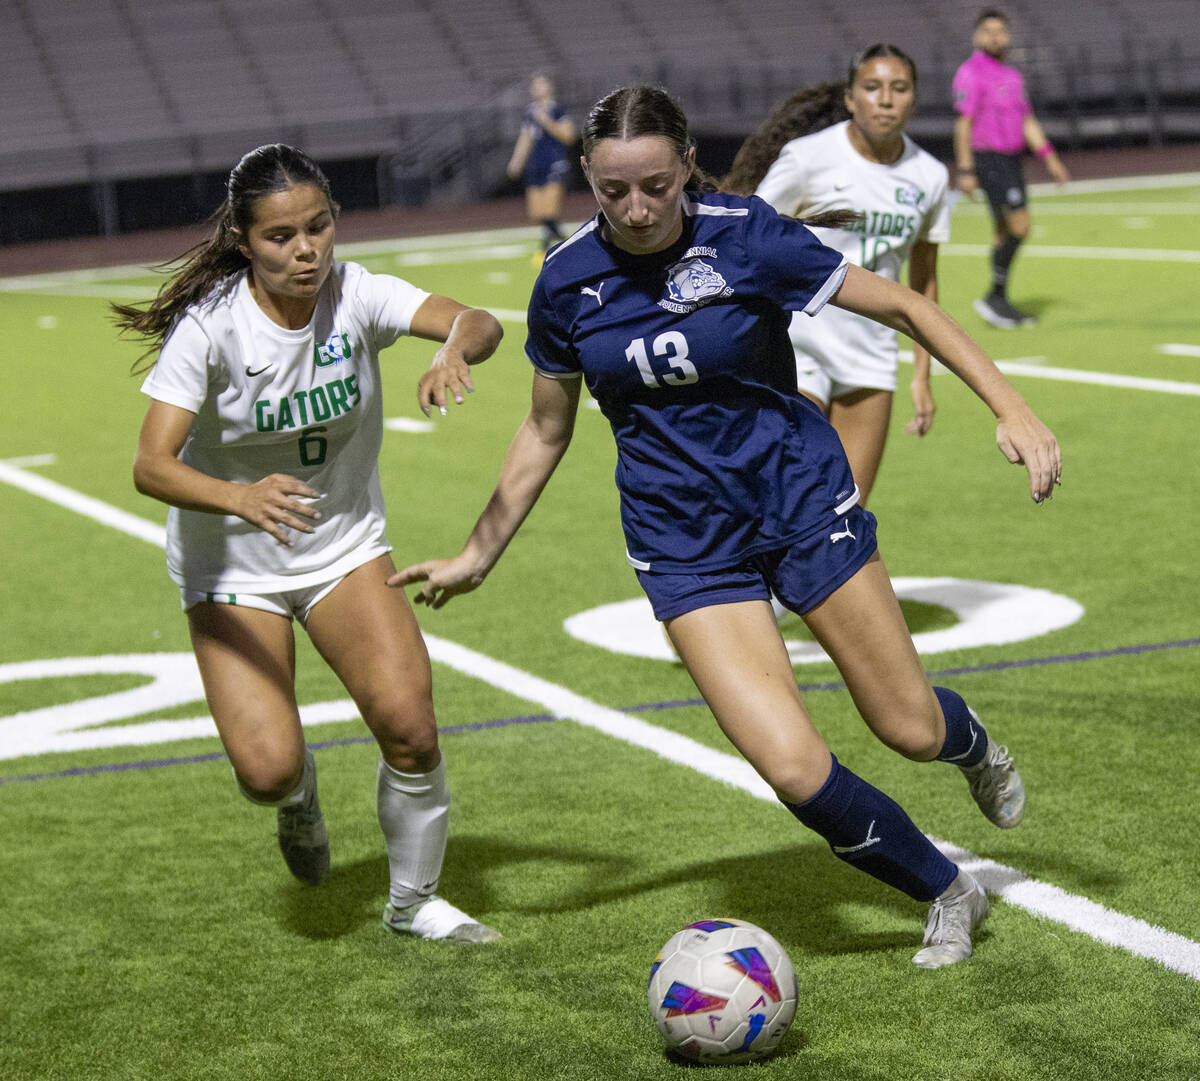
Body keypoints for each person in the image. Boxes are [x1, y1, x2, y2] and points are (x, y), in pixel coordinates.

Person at [389, 87, 1062, 969]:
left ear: (686, 169)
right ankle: (947, 889)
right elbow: (547, 426)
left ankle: (971, 743)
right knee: (790, 766)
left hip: (799, 502)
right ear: (588, 178)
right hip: (684, 546)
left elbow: (907, 307)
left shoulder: (748, 235)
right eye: (613, 190)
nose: (635, 210)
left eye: (656, 187)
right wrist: (481, 550)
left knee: (907, 725)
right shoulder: (565, 281)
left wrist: (1012, 409)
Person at [112, 144, 504, 944]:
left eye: (319, 227)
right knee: (267, 770)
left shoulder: (357, 292)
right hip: (232, 563)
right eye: (283, 237)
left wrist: (454, 346)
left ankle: (412, 901)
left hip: (342, 546)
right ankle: (299, 797)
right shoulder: (213, 325)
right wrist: (238, 496)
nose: (307, 250)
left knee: (410, 725)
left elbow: (479, 319)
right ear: (246, 243)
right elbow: (150, 465)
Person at [725, 45, 949, 505]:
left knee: (845, 517)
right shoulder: (808, 158)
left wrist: (922, 376)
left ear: (914, 99)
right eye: (872, 88)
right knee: (790, 502)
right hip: (798, 347)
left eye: (898, 88)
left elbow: (923, 280)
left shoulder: (930, 176)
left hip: (871, 354)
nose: (885, 99)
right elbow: (749, 239)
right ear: (850, 98)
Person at [953, 8, 1071, 328]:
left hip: (1011, 160)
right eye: (988, 31)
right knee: (1020, 227)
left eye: (1001, 31)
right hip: (989, 159)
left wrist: (1050, 158)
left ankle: (999, 301)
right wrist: (965, 170)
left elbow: (1027, 120)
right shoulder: (971, 73)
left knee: (1004, 231)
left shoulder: (1012, 76)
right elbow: (964, 123)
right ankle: (994, 296)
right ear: (977, 36)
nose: (995, 37)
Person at [506, 73, 577, 261]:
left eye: (542, 84)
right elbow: (526, 138)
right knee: (536, 213)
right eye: (535, 85)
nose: (538, 88)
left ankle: (545, 249)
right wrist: (517, 160)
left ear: (549, 87)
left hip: (554, 163)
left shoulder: (558, 111)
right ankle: (564, 238)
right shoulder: (529, 112)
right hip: (536, 164)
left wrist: (546, 120)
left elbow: (568, 136)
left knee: (550, 209)